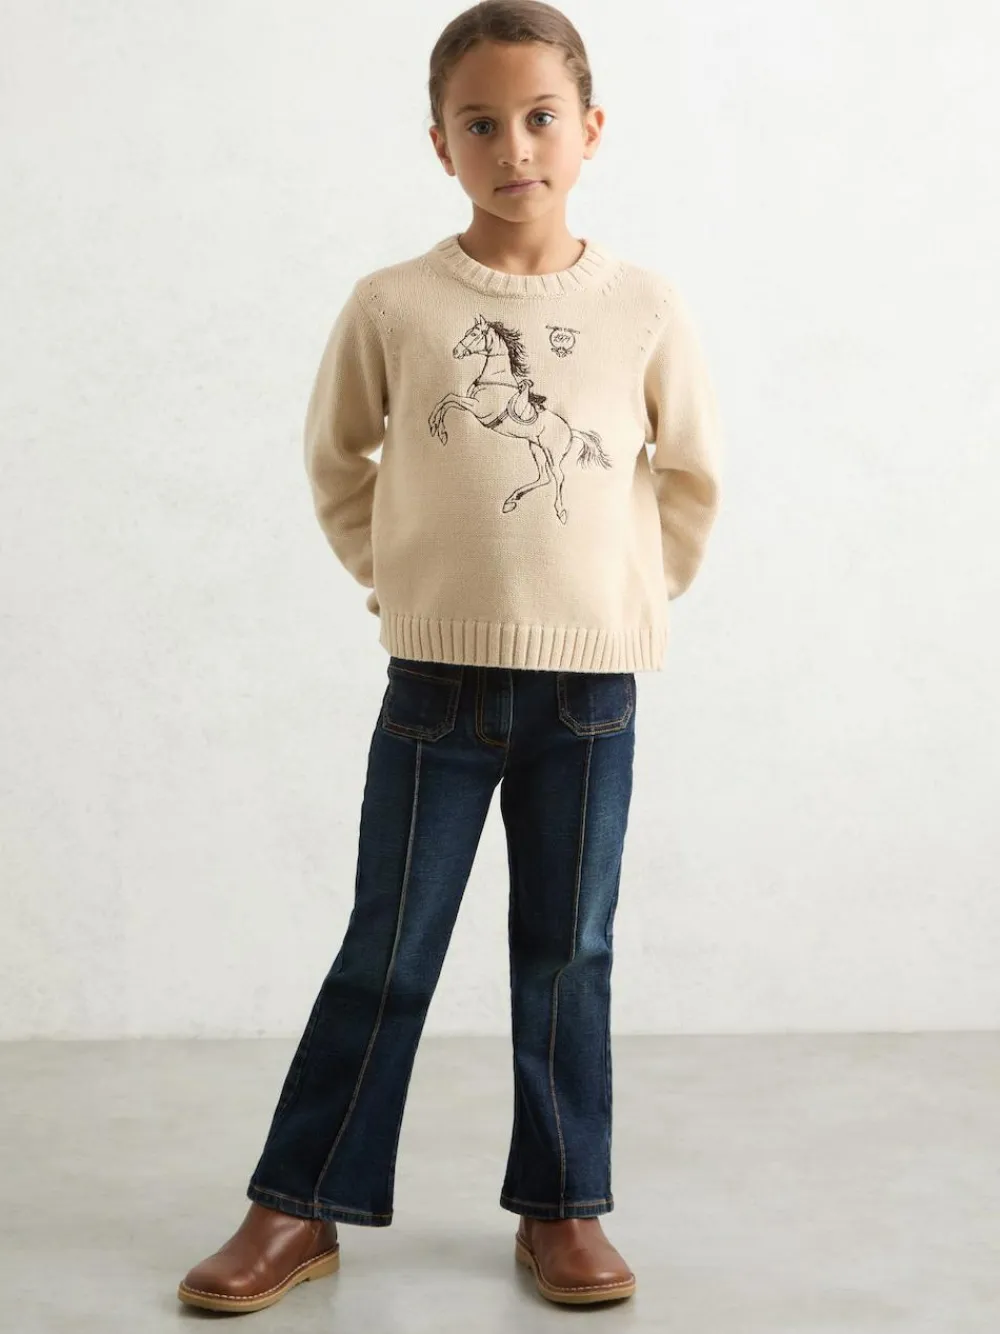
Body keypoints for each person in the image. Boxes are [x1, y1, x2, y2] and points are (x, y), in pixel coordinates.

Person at [177, 0, 721, 1313]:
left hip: (589, 695)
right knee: (390, 944)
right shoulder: (397, 304)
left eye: (540, 118)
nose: (513, 146)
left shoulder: (644, 306)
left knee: (568, 950)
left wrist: (620, 602)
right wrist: (400, 582)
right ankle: (299, 1201)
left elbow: (689, 478)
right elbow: (336, 462)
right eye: (480, 124)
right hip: (435, 688)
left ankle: (563, 1206)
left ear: (590, 130)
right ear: (440, 144)